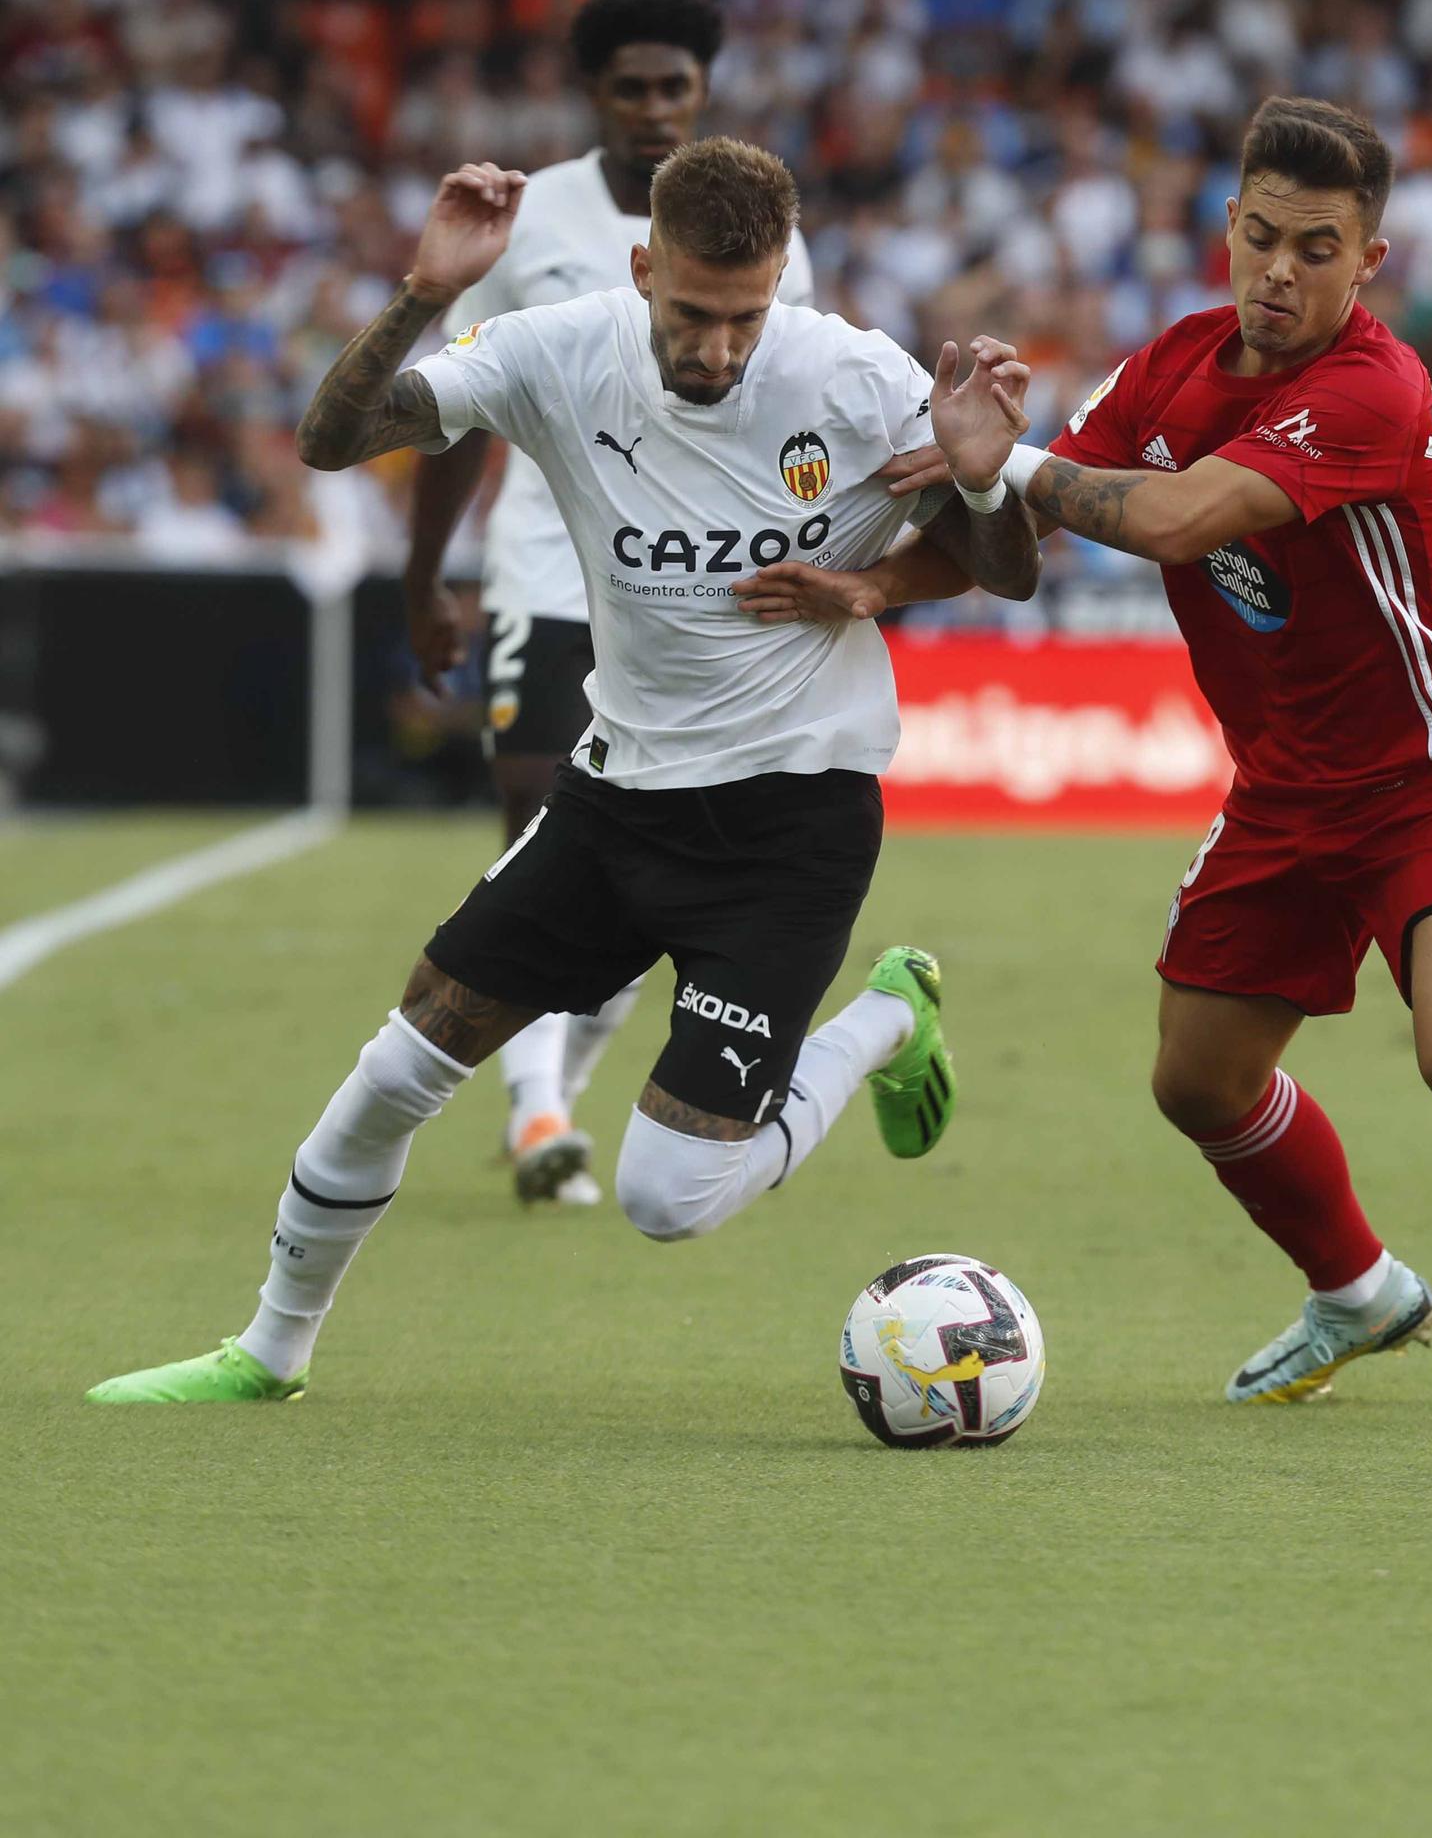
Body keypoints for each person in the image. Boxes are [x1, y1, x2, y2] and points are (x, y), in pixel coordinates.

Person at [84, 138, 1037, 1404]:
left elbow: (1005, 566)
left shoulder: (855, 375)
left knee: (663, 1196)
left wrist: (957, 496)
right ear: (644, 266)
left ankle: (882, 1020)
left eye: (743, 316)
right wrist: (425, 294)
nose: (715, 350)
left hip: (789, 825)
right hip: (611, 803)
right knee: (397, 1066)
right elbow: (333, 440)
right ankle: (269, 1350)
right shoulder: (558, 347)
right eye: (691, 312)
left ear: (778, 288)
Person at [790, 96, 1432, 1435]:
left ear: (1366, 262)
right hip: (1284, 789)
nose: (1279, 271)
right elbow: (1025, 526)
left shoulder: (1378, 385)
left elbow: (1177, 517)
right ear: (1227, 227)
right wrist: (879, 584)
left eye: (1317, 249)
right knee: (1197, 1081)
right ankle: (1359, 1290)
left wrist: (1003, 461)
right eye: (1260, 236)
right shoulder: (1171, 364)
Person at [402, 0, 945, 1205]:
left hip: (695, 598)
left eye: (674, 89)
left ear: (700, 94)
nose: (653, 109)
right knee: (539, 815)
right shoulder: (523, 215)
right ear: (592, 97)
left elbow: (773, 401)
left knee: (636, 858)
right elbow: (456, 414)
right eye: (630, 89)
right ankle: (539, 1106)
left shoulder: (756, 229)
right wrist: (426, 572)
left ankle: (559, 1092)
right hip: (549, 565)